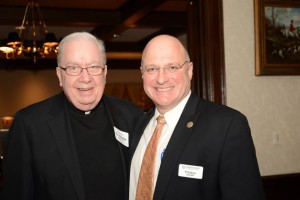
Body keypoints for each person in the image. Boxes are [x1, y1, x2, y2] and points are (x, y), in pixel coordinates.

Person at [2, 32, 144, 200]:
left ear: (105, 72)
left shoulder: (131, 117)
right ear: (59, 75)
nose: (85, 78)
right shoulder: (30, 125)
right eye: (73, 68)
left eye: (93, 67)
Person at [129, 35, 265, 200]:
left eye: (172, 67)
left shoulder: (226, 127)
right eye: (152, 69)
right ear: (142, 73)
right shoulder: (136, 125)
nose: (161, 78)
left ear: (190, 70)